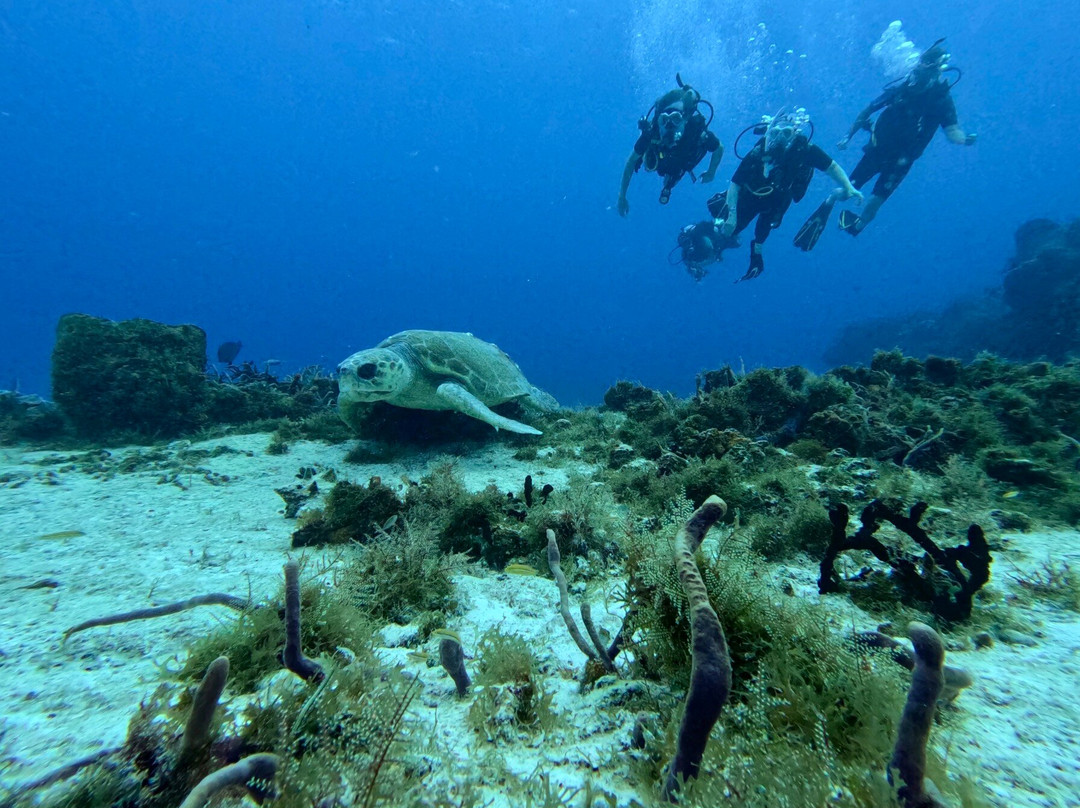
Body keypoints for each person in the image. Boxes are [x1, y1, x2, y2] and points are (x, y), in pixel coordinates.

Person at [794, 37, 977, 249]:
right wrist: (847, 136)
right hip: (877, 152)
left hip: (903, 159)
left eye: (932, 67)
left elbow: (952, 131)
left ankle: (856, 226)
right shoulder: (902, 88)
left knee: (874, 203)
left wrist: (964, 140)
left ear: (939, 70)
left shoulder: (941, 99)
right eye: (923, 65)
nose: (923, 73)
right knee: (847, 191)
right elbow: (869, 110)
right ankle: (829, 201)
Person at [716, 109, 861, 280]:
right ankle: (721, 239)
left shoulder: (805, 150)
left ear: (794, 133)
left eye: (786, 132)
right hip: (751, 196)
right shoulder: (759, 151)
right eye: (776, 132)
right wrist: (732, 216)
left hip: (779, 199)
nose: (780, 138)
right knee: (733, 228)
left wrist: (848, 186)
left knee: (766, 227)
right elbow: (735, 184)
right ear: (770, 132)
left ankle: (756, 252)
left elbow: (832, 167)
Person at [617, 76, 723, 216]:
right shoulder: (651, 132)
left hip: (683, 158)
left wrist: (711, 172)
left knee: (676, 170)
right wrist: (622, 196)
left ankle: (669, 183)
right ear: (658, 120)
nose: (669, 126)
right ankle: (663, 173)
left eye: (676, 119)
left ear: (685, 120)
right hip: (661, 154)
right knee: (650, 162)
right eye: (664, 120)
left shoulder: (694, 129)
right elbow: (631, 161)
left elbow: (718, 148)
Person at [674, 191, 738, 281]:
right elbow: (690, 265)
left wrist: (718, 223)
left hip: (714, 238)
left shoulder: (700, 232)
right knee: (735, 241)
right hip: (713, 244)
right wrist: (697, 273)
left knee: (734, 240)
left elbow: (708, 225)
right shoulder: (689, 256)